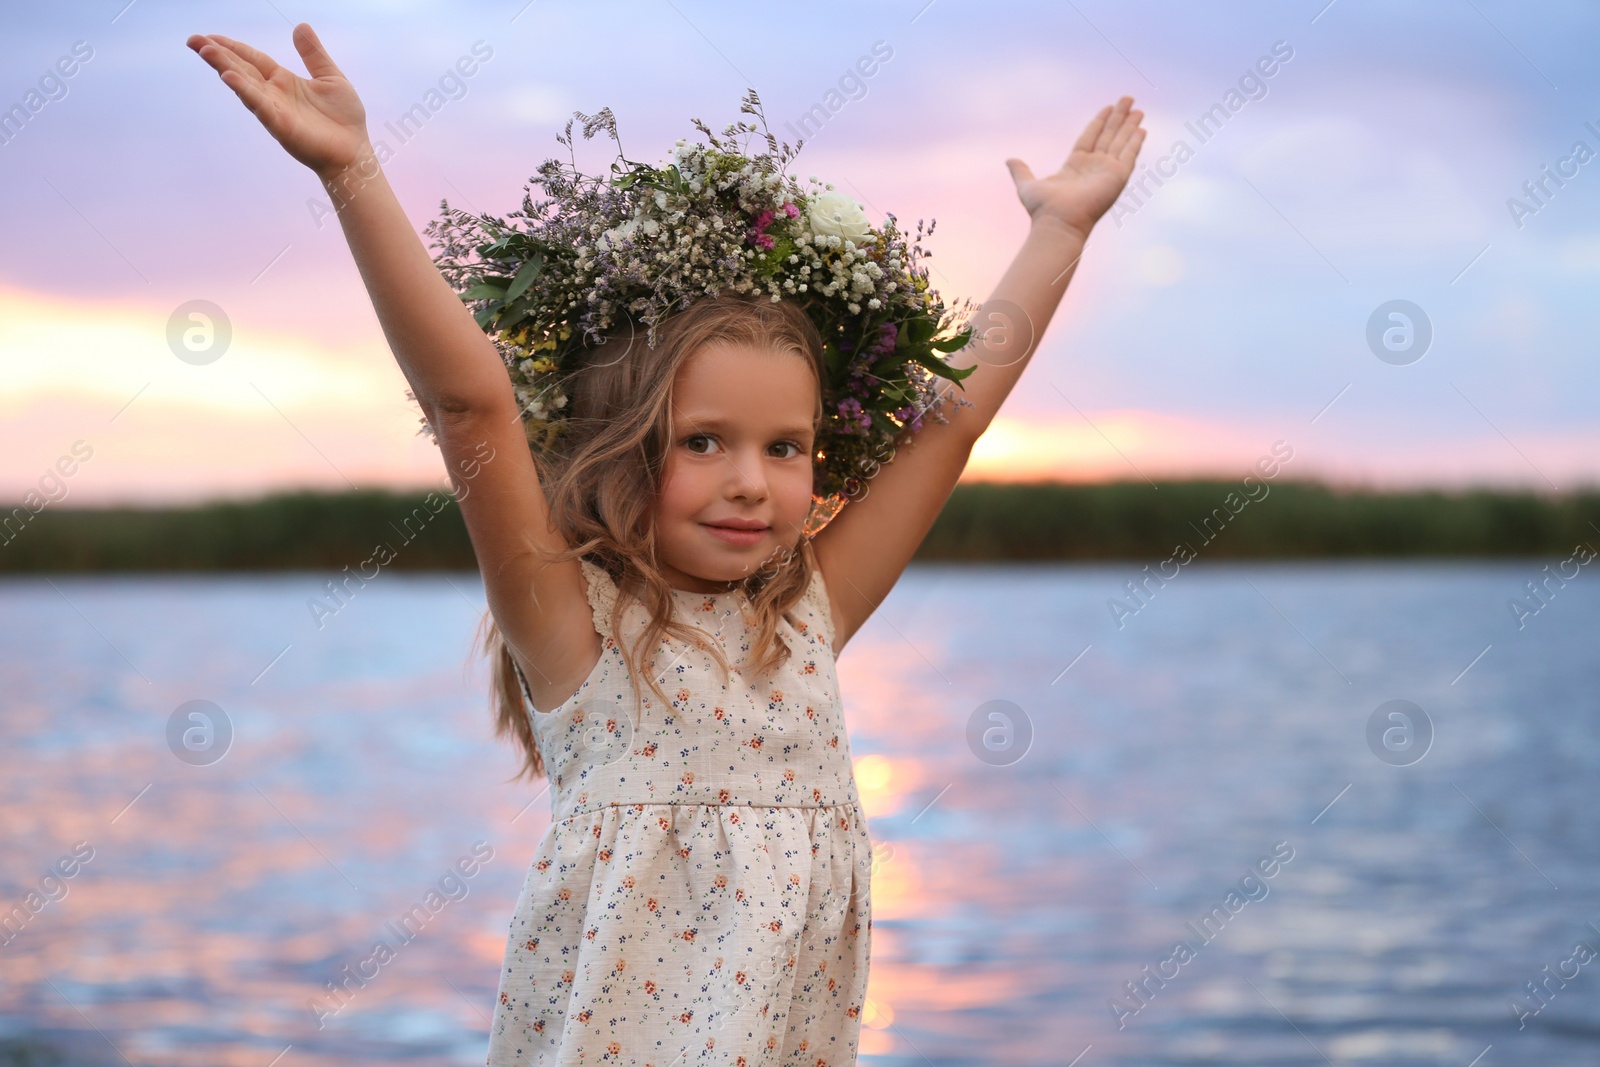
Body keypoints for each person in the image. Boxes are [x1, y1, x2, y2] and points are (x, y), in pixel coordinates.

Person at [187, 21, 1144, 1067]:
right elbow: (472, 405)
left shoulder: (810, 612)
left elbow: (951, 420)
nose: (751, 479)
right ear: (622, 446)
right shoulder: (567, 624)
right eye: (703, 441)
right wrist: (353, 171)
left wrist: (1058, 230)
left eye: (786, 446)